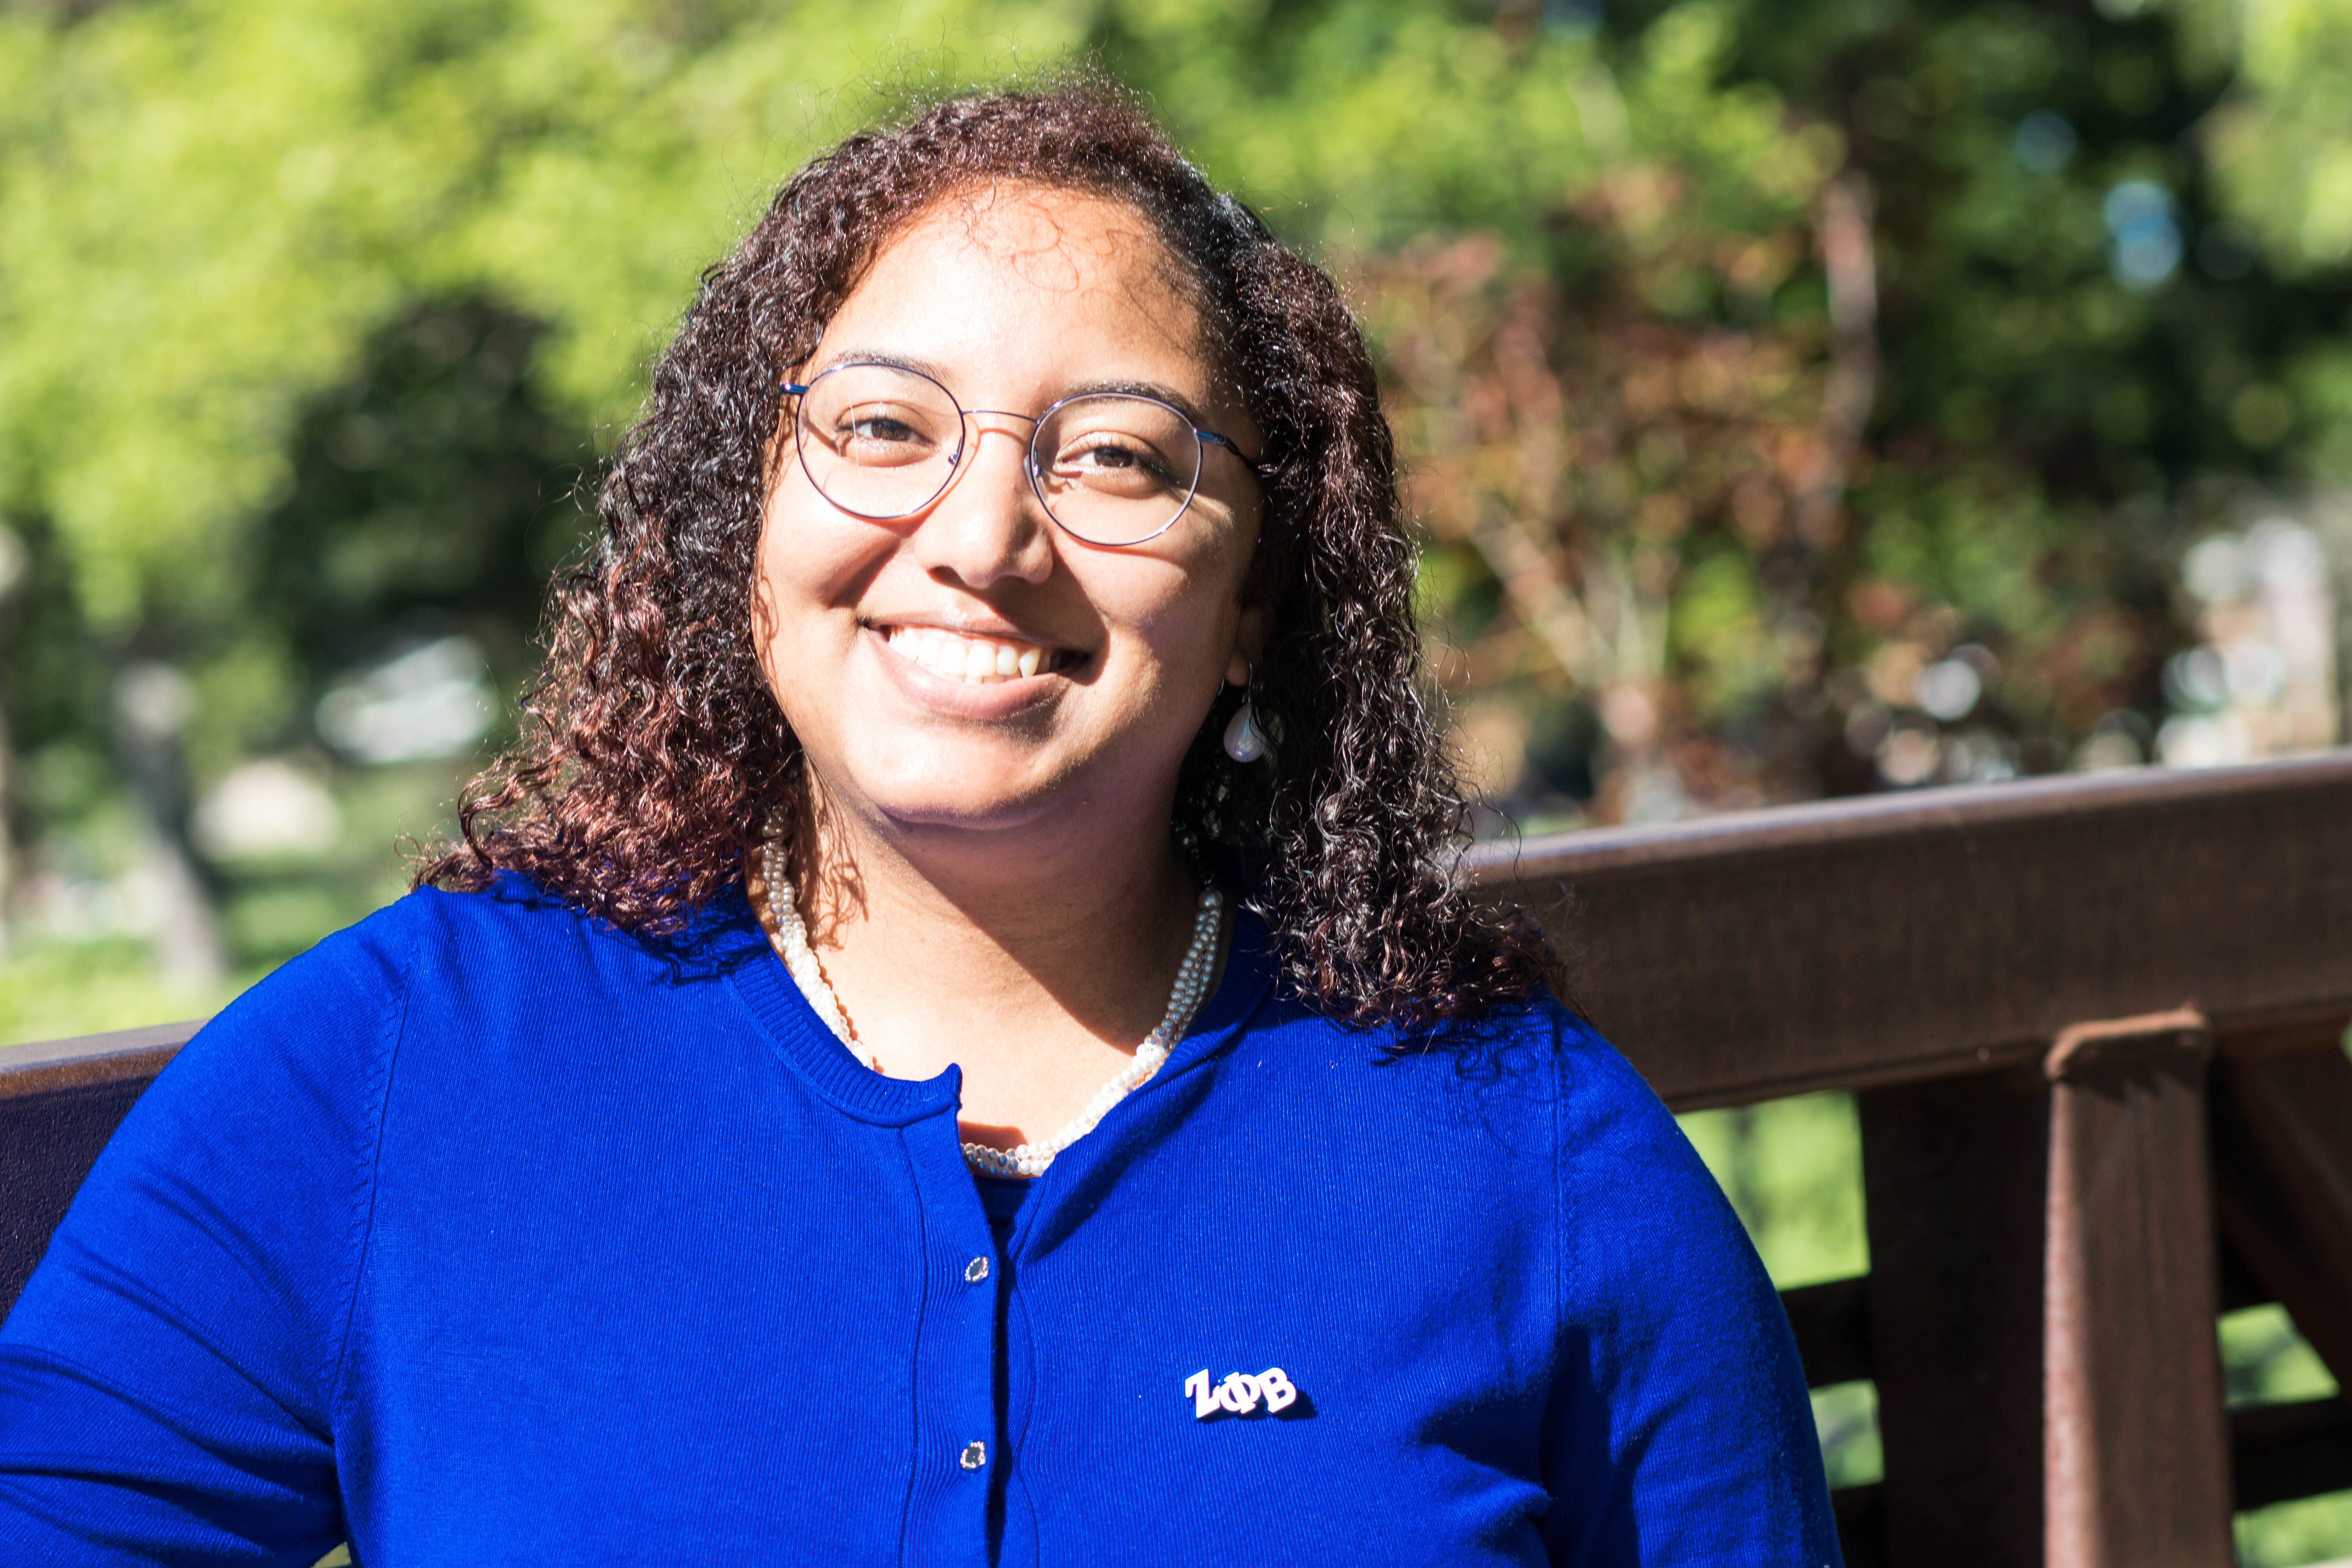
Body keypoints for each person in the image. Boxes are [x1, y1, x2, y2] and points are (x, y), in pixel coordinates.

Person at [0, 85, 1840, 1565]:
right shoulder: (418, 1065)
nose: (979, 535)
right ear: (752, 512)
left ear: (1263, 596)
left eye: (1115, 455)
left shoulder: (1523, 1154)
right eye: (881, 428)